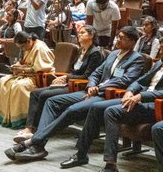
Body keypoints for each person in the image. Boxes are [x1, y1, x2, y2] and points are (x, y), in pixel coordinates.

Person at [9, 27, 146, 161]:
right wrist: (92, 84)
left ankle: (34, 143)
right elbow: (96, 73)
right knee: (52, 101)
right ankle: (38, 144)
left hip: (108, 95)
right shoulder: (112, 54)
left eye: (122, 38)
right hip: (91, 91)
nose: (118, 40)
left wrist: (98, 87)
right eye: (118, 37)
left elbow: (124, 80)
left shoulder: (137, 59)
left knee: (72, 110)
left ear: (132, 41)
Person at [82, 35, 163, 172]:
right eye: (159, 47)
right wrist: (130, 91)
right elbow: (142, 80)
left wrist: (141, 96)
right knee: (99, 107)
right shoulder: (160, 64)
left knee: (112, 112)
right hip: (141, 102)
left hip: (157, 107)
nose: (160, 51)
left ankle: (110, 167)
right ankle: (84, 154)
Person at [13, 26, 105, 147]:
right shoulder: (80, 50)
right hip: (70, 82)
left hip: (80, 87)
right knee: (35, 93)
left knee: (45, 95)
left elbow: (88, 76)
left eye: (83, 33)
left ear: (91, 35)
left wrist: (66, 78)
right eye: (79, 33)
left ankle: (40, 131)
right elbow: (74, 71)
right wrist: (64, 78)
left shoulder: (95, 53)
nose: (79, 35)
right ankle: (30, 128)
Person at [0, 31, 55, 128]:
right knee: (3, 81)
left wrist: (22, 69)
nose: (22, 49)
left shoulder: (40, 48)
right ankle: (8, 117)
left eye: (22, 47)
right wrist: (17, 65)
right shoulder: (26, 46)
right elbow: (22, 61)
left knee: (18, 86)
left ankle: (22, 119)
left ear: (28, 41)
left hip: (38, 77)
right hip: (25, 74)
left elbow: (40, 68)